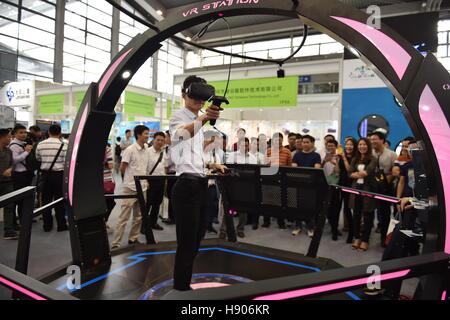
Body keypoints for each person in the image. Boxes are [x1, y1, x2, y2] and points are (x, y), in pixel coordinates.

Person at [169, 75, 226, 292]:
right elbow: (182, 134)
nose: (199, 102)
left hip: (202, 185)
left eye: (203, 98)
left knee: (197, 239)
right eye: (195, 97)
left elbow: (194, 157)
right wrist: (204, 118)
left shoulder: (199, 122)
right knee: (186, 244)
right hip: (186, 188)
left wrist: (213, 165)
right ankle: (181, 289)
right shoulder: (179, 117)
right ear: (184, 94)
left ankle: (183, 282)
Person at [111, 125, 152, 249]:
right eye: (146, 133)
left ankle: (133, 239)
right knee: (124, 217)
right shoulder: (130, 149)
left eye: (148, 133)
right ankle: (116, 244)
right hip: (130, 188)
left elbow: (145, 167)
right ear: (138, 135)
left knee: (139, 217)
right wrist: (129, 180)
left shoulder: (146, 148)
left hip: (143, 187)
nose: (148, 136)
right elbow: (123, 168)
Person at [35, 124, 68, 232]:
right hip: (59, 175)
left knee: (46, 201)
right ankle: (61, 225)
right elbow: (65, 162)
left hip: (45, 175)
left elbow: (38, 158)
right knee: (59, 200)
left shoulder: (40, 144)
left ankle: (47, 226)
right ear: (60, 133)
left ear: (48, 132)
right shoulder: (64, 145)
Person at [348, 138, 377, 251]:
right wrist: (355, 174)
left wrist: (356, 174)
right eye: (360, 144)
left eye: (364, 144)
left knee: (368, 215)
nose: (362, 146)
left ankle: (365, 239)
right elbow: (349, 173)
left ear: (368, 146)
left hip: (368, 188)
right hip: (356, 188)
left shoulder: (373, 159)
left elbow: (367, 172)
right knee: (356, 214)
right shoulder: (355, 159)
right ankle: (357, 237)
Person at [370, 131, 398, 247]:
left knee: (385, 212)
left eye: (375, 139)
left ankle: (384, 237)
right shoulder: (370, 153)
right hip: (371, 185)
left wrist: (385, 181)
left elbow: (395, 171)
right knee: (369, 210)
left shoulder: (391, 154)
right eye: (371, 139)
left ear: (382, 140)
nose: (373, 141)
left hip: (386, 187)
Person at [291, 135, 322, 237]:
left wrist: (304, 174)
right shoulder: (296, 155)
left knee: (310, 207)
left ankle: (310, 227)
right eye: (303, 142)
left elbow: (316, 170)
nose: (305, 144)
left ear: (312, 143)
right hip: (298, 185)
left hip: (311, 186)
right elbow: (294, 170)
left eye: (307, 142)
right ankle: (297, 226)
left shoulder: (316, 156)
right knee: (297, 206)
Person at [263, 132, 292, 230]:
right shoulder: (268, 151)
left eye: (279, 139)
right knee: (267, 201)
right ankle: (266, 221)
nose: (277, 141)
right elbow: (265, 165)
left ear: (282, 140)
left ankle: (281, 222)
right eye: (275, 140)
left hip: (282, 179)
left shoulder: (287, 152)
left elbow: (289, 166)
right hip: (269, 178)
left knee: (281, 201)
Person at [9, 124, 34, 228]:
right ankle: (17, 222)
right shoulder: (14, 145)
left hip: (25, 174)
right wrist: (26, 152)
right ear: (14, 133)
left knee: (24, 199)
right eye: (21, 132)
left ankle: (24, 219)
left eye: (25, 132)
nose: (24, 134)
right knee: (19, 199)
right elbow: (14, 160)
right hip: (18, 175)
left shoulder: (24, 143)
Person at [335, 137, 357, 242]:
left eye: (351, 144)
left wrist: (343, 158)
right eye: (347, 144)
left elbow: (349, 170)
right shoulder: (341, 155)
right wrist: (336, 161)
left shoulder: (356, 157)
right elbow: (338, 171)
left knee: (348, 210)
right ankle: (335, 231)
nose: (348, 146)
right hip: (340, 184)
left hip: (351, 185)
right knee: (336, 207)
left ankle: (351, 234)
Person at [203, 131, 225, 234]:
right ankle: (202, 227)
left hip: (212, 183)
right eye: (211, 139)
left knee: (212, 205)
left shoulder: (214, 153)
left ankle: (209, 225)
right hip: (201, 184)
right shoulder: (198, 152)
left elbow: (217, 166)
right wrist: (211, 166)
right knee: (202, 207)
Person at [145, 131, 167, 232]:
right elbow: (144, 168)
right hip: (150, 181)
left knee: (157, 203)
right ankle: (143, 226)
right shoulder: (147, 152)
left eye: (162, 140)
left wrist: (165, 181)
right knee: (148, 203)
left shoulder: (163, 153)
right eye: (158, 140)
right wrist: (146, 181)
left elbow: (164, 168)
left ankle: (153, 223)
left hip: (161, 180)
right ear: (154, 140)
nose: (160, 142)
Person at [0, 129, 18, 240]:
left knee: (9, 205)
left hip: (7, 182)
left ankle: (9, 230)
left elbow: (13, 164)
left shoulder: (8, 151)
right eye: (8, 137)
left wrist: (11, 169)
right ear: (2, 137)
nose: (10, 139)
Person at [322, 139, 341, 241]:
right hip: (324, 186)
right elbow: (318, 169)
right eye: (328, 146)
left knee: (336, 209)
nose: (330, 148)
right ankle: (331, 225)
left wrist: (336, 162)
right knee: (327, 209)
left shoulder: (339, 157)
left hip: (335, 186)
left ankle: (335, 230)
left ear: (336, 146)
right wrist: (325, 160)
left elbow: (338, 173)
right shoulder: (322, 156)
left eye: (332, 146)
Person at [163, 130, 176, 225]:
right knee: (171, 196)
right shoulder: (169, 147)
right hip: (172, 174)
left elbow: (168, 163)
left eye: (166, 137)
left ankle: (172, 218)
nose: (165, 139)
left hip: (173, 175)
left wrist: (164, 166)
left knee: (171, 196)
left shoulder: (174, 148)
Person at [103, 144, 116, 230]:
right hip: (106, 180)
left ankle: (102, 222)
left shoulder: (87, 148)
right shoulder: (106, 149)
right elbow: (111, 166)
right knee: (110, 203)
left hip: (92, 181)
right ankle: (103, 221)